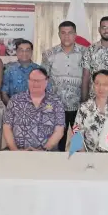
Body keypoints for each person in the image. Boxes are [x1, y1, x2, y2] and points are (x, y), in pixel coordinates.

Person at [41, 21, 85, 151]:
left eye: (70, 33)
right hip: (56, 107)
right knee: (57, 140)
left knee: (78, 138)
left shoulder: (85, 53)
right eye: (63, 33)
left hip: (79, 107)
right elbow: (44, 79)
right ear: (59, 34)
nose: (67, 36)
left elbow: (91, 79)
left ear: (75, 34)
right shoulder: (49, 54)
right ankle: (58, 166)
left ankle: (77, 165)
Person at [2, 68, 65, 151]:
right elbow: (7, 128)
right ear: (28, 81)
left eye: (39, 80)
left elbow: (59, 131)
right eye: (32, 80)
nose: (35, 83)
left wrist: (43, 150)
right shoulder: (15, 100)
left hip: (47, 153)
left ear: (46, 81)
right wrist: (15, 151)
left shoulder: (56, 102)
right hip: (18, 152)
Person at [73, 70, 108, 153]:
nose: (101, 87)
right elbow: (77, 134)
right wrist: (85, 157)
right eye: (97, 83)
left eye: (105, 84)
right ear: (93, 85)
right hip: (89, 154)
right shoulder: (83, 108)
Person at [1, 39, 48, 105]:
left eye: (27, 50)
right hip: (14, 110)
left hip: (36, 111)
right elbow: (4, 93)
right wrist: (13, 109)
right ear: (16, 52)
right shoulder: (9, 70)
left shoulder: (40, 70)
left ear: (32, 52)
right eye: (21, 50)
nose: (24, 53)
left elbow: (47, 92)